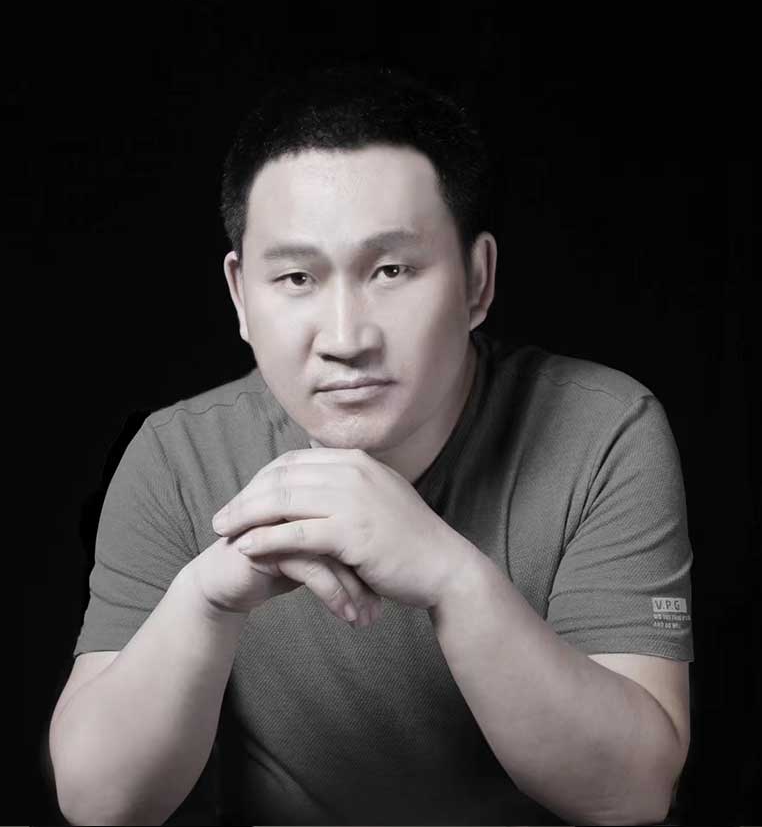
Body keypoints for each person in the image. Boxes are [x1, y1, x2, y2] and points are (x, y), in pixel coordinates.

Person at [48, 63, 693, 826]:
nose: (346, 338)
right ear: (240, 296)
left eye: (391, 270)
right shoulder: (176, 457)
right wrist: (205, 599)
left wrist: (453, 578)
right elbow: (98, 805)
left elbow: (632, 793)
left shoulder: (603, 432)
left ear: (477, 280)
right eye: (296, 278)